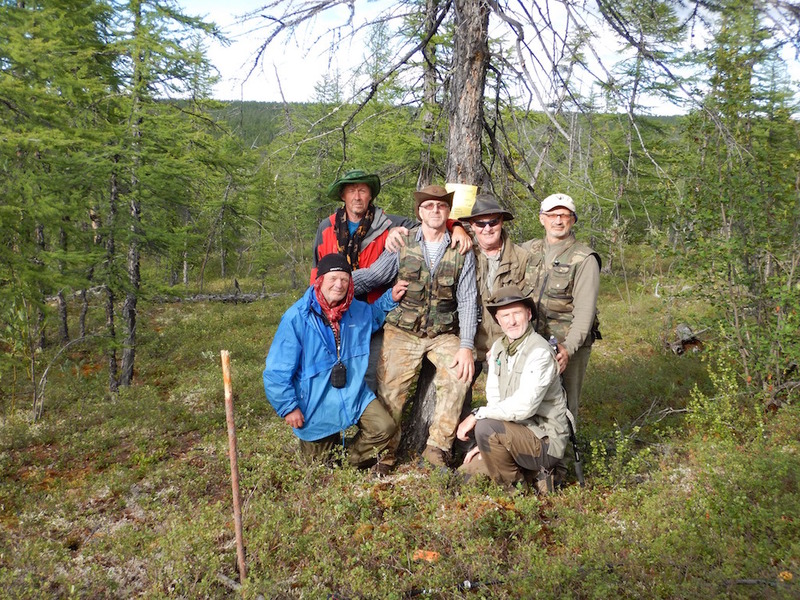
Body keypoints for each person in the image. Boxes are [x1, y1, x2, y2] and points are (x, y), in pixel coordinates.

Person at [354, 184, 478, 472]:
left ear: (448, 212)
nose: (435, 210)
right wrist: (336, 282)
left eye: (441, 206)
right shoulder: (403, 242)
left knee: (459, 377)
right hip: (402, 330)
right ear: (419, 211)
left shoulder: (461, 248)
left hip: (443, 333)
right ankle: (385, 454)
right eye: (429, 206)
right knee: (390, 389)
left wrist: (466, 346)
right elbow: (373, 277)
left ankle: (437, 449)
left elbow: (469, 300)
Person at [312, 169, 471, 392]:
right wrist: (319, 298)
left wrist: (457, 227)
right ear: (342, 195)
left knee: (370, 375)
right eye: (351, 191)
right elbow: (316, 271)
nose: (357, 196)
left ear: (370, 196)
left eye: (363, 191)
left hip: (374, 312)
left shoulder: (389, 223)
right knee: (330, 368)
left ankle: (368, 425)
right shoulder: (326, 228)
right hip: (333, 311)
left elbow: (431, 222)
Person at [263, 253, 408, 470]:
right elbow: (276, 372)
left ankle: (344, 462)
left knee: (384, 428)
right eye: (333, 279)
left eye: (344, 279)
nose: (339, 285)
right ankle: (330, 462)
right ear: (320, 281)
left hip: (352, 394)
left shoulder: (356, 309)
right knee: (317, 468)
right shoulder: (297, 318)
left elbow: (373, 317)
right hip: (315, 402)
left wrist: (390, 298)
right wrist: (288, 407)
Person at [456, 285, 571, 492]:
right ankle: (533, 474)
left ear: (528, 314)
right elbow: (495, 400)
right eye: (505, 316)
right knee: (465, 476)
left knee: (485, 427)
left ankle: (515, 492)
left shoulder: (540, 351)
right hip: (515, 433)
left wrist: (477, 415)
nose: (512, 321)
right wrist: (484, 448)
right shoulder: (499, 348)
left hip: (544, 440)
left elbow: (524, 407)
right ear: (498, 320)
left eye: (517, 313)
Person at [521, 193, 601, 421]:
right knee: (529, 399)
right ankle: (533, 452)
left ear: (573, 220)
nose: (558, 220)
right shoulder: (528, 250)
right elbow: (490, 244)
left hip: (566, 344)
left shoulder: (584, 258)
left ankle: (565, 455)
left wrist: (569, 348)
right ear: (541, 219)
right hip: (532, 340)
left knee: (564, 405)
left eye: (564, 215)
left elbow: (585, 311)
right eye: (552, 214)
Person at [459, 193, 533, 367]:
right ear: (472, 225)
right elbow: (431, 228)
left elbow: (529, 308)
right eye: (480, 223)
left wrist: (507, 343)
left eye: (493, 222)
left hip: (507, 341)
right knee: (457, 388)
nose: (487, 229)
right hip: (466, 341)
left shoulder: (522, 258)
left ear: (501, 222)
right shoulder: (461, 253)